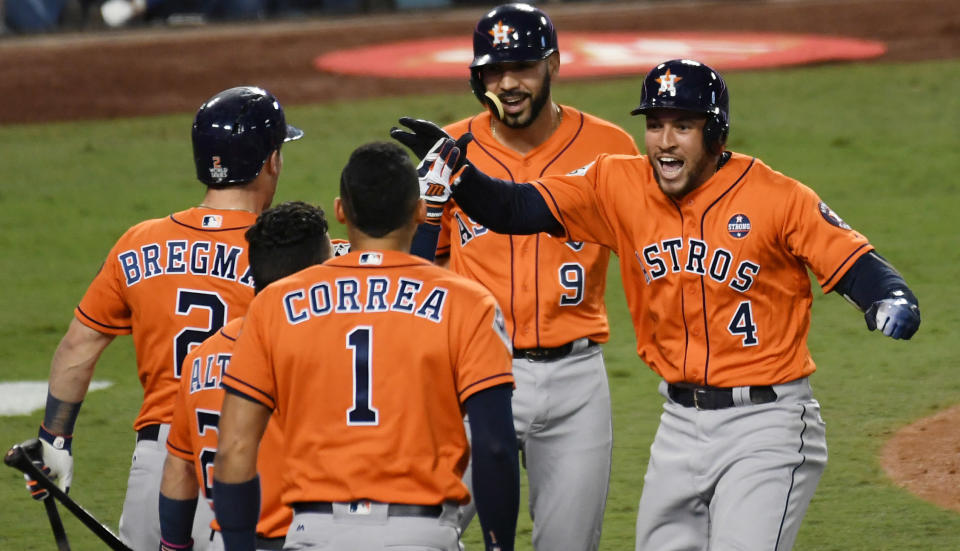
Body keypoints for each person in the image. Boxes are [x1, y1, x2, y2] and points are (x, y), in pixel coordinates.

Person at [394, 58, 922, 551]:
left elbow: (855, 263)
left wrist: (887, 297)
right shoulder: (617, 182)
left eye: (683, 127)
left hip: (769, 426)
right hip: (677, 426)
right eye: (655, 125)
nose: (664, 143)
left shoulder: (778, 197)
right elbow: (515, 207)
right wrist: (460, 170)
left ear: (716, 135)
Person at [398, 4, 638, 550]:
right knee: (421, 533)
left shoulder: (610, 149)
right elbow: (419, 265)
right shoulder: (448, 149)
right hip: (470, 375)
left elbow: (651, 249)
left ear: (552, 63)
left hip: (577, 377)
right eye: (492, 70)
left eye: (523, 67)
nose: (507, 84)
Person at [24, 85, 303, 551]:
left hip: (154, 469)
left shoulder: (138, 242)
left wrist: (55, 439)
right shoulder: (286, 252)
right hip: (245, 463)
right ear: (269, 161)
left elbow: (79, 346)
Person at [211, 141, 520, 551]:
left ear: (341, 212)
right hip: (421, 535)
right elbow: (496, 447)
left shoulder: (274, 304)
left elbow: (234, 447)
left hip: (313, 535)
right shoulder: (469, 303)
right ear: (420, 212)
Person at [159, 201, 333, 551]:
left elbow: (179, 470)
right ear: (315, 274)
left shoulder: (201, 357)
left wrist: (171, 546)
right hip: (299, 538)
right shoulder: (317, 352)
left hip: (225, 539)